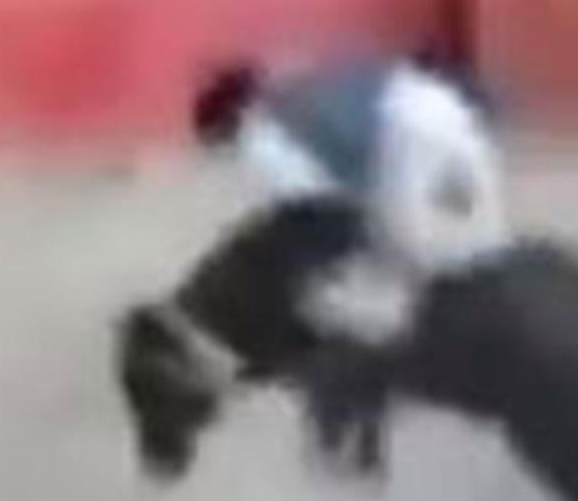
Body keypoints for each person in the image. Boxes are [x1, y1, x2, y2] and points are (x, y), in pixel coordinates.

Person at [189, 53, 510, 338]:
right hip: (448, 108)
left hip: (401, 132)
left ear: (226, 129)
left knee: (409, 245)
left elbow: (316, 209)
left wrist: (318, 272)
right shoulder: (299, 85)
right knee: (472, 236)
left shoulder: (258, 137)